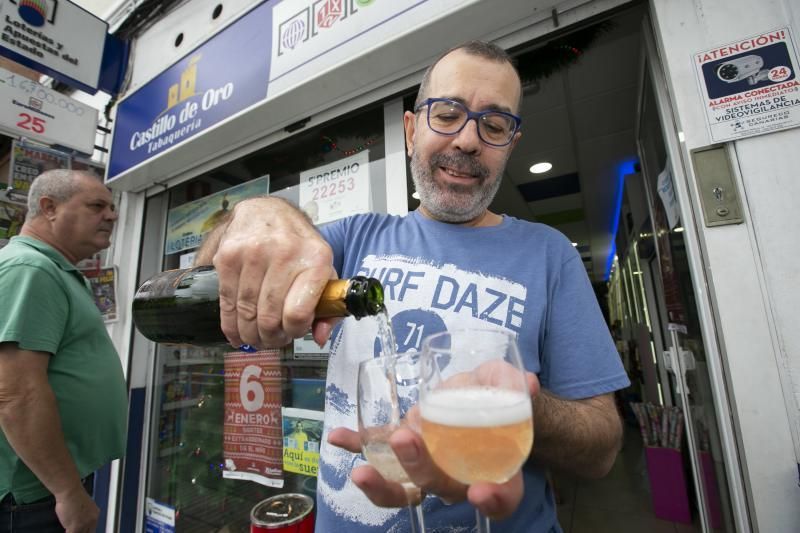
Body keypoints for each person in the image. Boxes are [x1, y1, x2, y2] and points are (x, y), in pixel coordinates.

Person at [198, 40, 629, 532]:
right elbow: (214, 270)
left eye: (493, 125)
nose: (468, 140)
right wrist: (259, 215)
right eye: (447, 114)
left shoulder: (550, 254)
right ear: (410, 130)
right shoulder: (351, 239)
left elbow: (603, 448)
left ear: (510, 144)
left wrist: (525, 412)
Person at [0, 170, 128, 533]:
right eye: (97, 206)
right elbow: (16, 394)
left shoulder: (51, 270)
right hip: (33, 497)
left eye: (113, 207)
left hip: (49, 486)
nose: (112, 216)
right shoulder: (30, 269)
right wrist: (68, 492)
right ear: (49, 207)